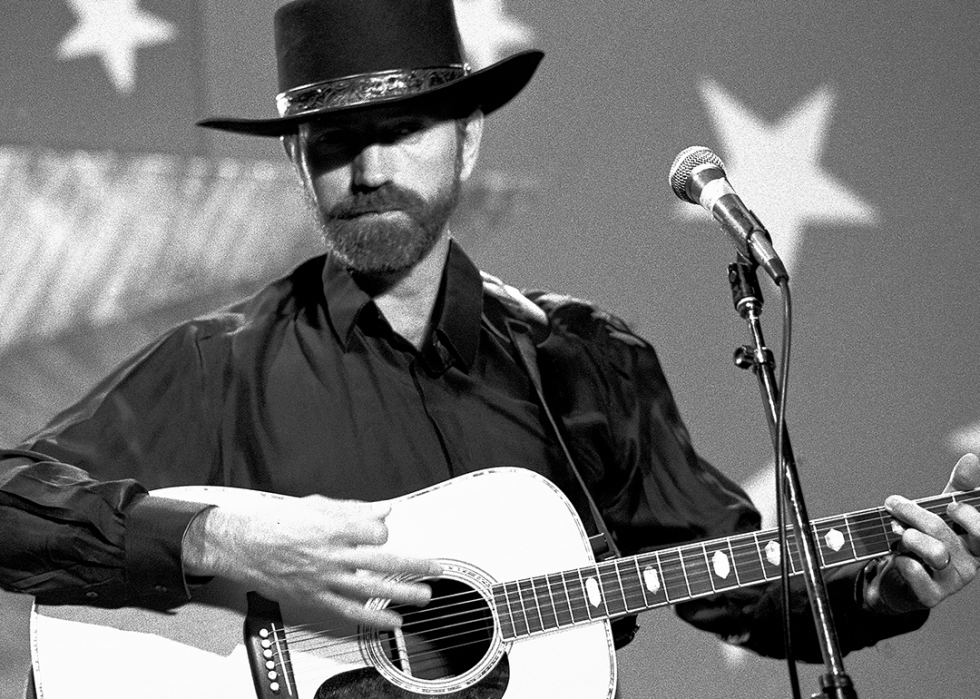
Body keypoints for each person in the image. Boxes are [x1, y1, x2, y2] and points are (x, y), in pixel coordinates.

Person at [2, 0, 978, 695]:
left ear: (467, 139)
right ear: (297, 164)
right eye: (334, 142)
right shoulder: (220, 368)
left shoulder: (584, 363)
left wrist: (884, 588)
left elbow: (731, 585)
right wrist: (217, 539)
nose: (370, 170)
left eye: (401, 130)